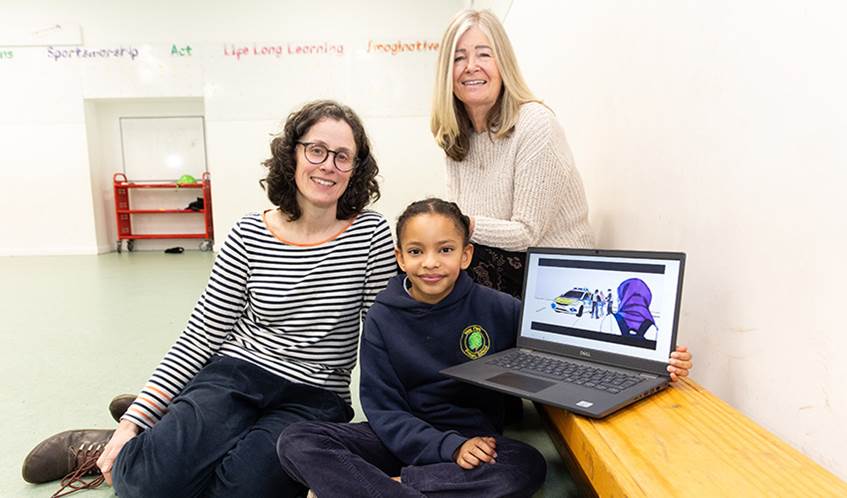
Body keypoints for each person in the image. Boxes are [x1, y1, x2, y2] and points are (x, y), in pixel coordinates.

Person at [21, 100, 397, 498]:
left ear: (356, 169)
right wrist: (133, 422)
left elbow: (381, 334)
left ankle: (171, 432)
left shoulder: (370, 234)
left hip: (315, 395)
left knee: (243, 491)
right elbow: (200, 336)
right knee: (145, 485)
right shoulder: (248, 233)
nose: (328, 166)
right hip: (237, 374)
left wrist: (399, 424)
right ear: (293, 154)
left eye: (343, 156)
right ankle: (125, 438)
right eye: (316, 150)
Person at [430, 9, 692, 381]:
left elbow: (525, 234)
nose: (471, 66)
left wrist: (458, 226)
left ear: (503, 62)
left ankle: (475, 388)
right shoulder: (454, 137)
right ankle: (433, 384)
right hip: (502, 266)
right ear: (447, 72)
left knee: (459, 259)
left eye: (484, 54)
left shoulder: (535, 123)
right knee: (422, 263)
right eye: (458, 57)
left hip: (550, 271)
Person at [276, 198, 547, 497]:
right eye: (416, 251)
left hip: (472, 441)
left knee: (525, 464)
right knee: (297, 440)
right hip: (400, 438)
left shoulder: (501, 308)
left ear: (466, 254)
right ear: (401, 258)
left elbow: (546, 345)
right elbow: (384, 410)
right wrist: (446, 448)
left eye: (445, 250)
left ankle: (384, 487)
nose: (430, 262)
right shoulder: (382, 316)